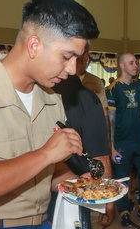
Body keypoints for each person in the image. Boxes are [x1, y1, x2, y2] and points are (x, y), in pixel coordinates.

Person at [0, 0, 98, 229]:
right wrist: (47, 153)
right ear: (34, 45)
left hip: (40, 220)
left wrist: (76, 183)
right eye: (67, 57)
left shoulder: (51, 99)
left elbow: (47, 169)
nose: (72, 69)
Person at [52, 74, 114, 228]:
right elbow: (101, 157)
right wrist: (105, 201)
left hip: (57, 184)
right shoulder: (86, 98)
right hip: (72, 189)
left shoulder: (40, 92)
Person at [107, 54, 140, 227]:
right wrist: (111, 147)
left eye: (136, 62)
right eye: (131, 63)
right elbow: (110, 121)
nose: (136, 65)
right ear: (122, 66)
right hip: (121, 144)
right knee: (122, 180)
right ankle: (124, 212)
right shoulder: (112, 89)